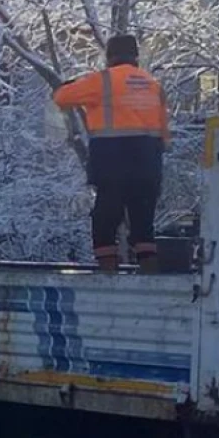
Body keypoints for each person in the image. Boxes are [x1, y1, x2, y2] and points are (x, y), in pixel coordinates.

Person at [53, 34, 171, 273]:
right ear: (136, 56)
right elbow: (165, 138)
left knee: (105, 220)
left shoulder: (103, 81)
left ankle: (109, 276)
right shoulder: (154, 86)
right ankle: (150, 276)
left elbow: (62, 98)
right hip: (148, 165)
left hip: (113, 163)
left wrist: (72, 83)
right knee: (143, 225)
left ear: (109, 57)